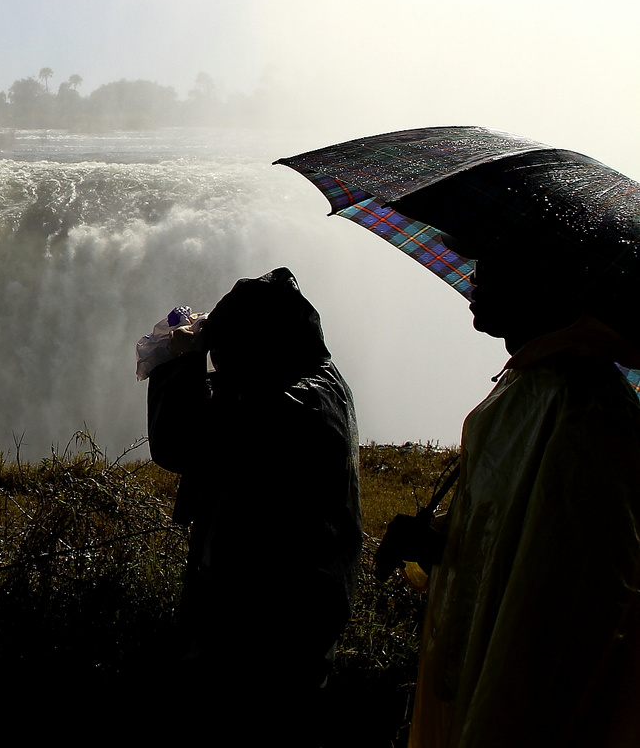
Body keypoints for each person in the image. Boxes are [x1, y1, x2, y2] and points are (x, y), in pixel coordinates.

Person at [407, 244, 640, 747]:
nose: (476, 278)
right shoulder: (532, 382)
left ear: (545, 284)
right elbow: (505, 526)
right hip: (484, 685)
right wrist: (438, 538)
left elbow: (578, 603)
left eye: (496, 266)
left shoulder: (588, 409)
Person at [146, 267, 361, 744]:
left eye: (226, 349)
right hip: (289, 617)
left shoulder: (292, 406)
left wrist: (176, 362)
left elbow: (180, 442)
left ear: (260, 345)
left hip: (263, 632)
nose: (218, 362)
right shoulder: (313, 382)